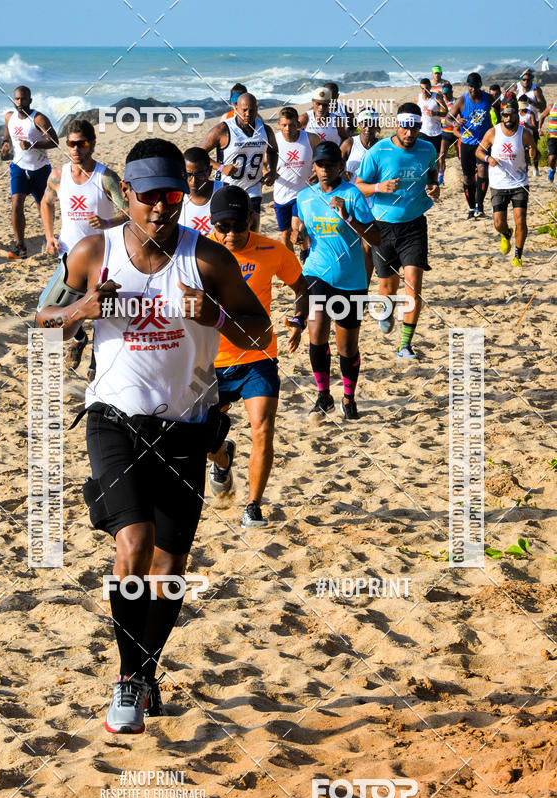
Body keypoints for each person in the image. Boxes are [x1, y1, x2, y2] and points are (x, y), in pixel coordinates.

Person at [36, 139, 270, 735]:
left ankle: (144, 670)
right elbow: (42, 316)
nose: (160, 208)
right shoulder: (94, 250)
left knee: (168, 567)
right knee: (133, 543)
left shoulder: (208, 260)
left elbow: (259, 326)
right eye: (148, 197)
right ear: (128, 197)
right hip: (113, 417)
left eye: (171, 196)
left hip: (186, 423)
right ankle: (129, 677)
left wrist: (213, 317)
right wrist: (82, 308)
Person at [207, 185, 309, 526]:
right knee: (205, 439)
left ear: (251, 219)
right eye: (224, 227)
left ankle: (253, 506)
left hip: (258, 356)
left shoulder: (272, 250)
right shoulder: (199, 251)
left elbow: (300, 286)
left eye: (239, 226)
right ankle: (221, 460)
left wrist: (298, 320)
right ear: (213, 223)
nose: (232, 234)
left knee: (263, 429)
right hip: (211, 362)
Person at [292, 141, 380, 419]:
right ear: (314, 167)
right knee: (316, 333)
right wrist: (300, 239)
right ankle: (323, 396)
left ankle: (348, 398)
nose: (325, 170)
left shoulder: (352, 195)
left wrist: (349, 218)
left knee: (346, 347)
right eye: (320, 165)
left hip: (351, 281)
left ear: (340, 167)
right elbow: (305, 233)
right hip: (317, 272)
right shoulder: (304, 197)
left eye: (330, 165)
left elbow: (375, 238)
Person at [40, 119, 128, 373]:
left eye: (81, 143)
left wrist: (107, 221)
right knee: (50, 311)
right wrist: (49, 236)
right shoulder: (58, 176)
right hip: (68, 255)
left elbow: (129, 212)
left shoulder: (106, 177)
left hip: (103, 255)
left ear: (92, 144)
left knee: (101, 311)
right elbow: (47, 203)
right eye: (71, 144)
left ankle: (96, 361)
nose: (76, 149)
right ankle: (78, 339)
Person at [355, 102, 440, 360]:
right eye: (405, 127)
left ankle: (405, 345)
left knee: (414, 286)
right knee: (387, 289)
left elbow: (432, 176)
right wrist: (380, 187)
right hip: (382, 228)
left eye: (414, 127)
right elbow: (358, 186)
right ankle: (386, 309)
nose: (410, 133)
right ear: (397, 125)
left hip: (414, 225)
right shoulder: (378, 152)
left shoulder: (428, 149)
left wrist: (434, 188)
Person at [201, 92, 277, 232]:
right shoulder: (223, 129)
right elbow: (198, 154)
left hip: (253, 188)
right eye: (244, 110)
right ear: (236, 108)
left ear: (257, 108)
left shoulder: (265, 130)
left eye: (252, 109)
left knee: (252, 232)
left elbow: (273, 151)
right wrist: (221, 167)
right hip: (227, 187)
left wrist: (272, 171)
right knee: (226, 231)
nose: (248, 113)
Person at [477, 97, 536, 267]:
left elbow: (533, 151)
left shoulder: (525, 134)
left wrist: (533, 154)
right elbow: (479, 151)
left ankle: (518, 255)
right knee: (498, 223)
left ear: (517, 114)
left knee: (520, 220)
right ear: (501, 115)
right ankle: (506, 234)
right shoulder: (493, 132)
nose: (508, 118)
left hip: (519, 183)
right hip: (498, 184)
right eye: (505, 115)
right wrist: (488, 158)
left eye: (511, 114)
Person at [1, 85, 58, 259]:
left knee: (45, 206)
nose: (20, 102)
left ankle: (50, 241)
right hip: (19, 167)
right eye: (17, 99)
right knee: (16, 204)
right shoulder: (9, 117)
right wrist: (5, 142)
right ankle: (20, 246)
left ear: (30, 100)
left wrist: (33, 144)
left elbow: (54, 141)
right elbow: (8, 131)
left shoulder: (38, 119)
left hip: (40, 170)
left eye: (23, 99)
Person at [340, 108, 381, 285]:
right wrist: (342, 173)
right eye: (364, 123)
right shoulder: (350, 143)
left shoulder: (383, 146)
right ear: (359, 125)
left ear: (377, 126)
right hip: (351, 200)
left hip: (373, 201)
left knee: (367, 244)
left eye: (371, 124)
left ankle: (364, 283)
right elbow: (336, 165)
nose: (367, 128)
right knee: (347, 244)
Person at [273, 106, 319, 252]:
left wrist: (317, 171)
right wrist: (268, 172)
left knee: (298, 229)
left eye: (292, 125)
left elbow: (322, 157)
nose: (287, 129)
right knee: (285, 235)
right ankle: (291, 265)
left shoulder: (311, 138)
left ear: (298, 125)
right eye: (284, 125)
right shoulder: (273, 140)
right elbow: (265, 163)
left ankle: (305, 260)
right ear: (279, 125)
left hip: (303, 193)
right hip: (281, 194)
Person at [446, 72, 492, 219]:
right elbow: (447, 118)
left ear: (480, 85)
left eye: (477, 86)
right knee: (468, 178)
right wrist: (455, 123)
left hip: (483, 143)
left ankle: (480, 205)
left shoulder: (488, 98)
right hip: (466, 144)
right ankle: (471, 208)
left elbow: (500, 111)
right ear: (468, 85)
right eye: (471, 86)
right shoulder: (462, 101)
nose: (474, 89)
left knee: (483, 172)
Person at [179, 146, 223, 235]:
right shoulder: (176, 195)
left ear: (209, 171)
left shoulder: (224, 192)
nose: (193, 181)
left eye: (199, 175)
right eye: (189, 174)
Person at [416, 78, 447, 161]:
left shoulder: (437, 97)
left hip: (436, 133)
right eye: (422, 88)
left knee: (437, 158)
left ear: (430, 87)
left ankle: (437, 173)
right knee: (423, 156)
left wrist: (435, 113)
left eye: (426, 88)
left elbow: (446, 112)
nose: (424, 91)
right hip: (423, 132)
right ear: (420, 88)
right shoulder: (418, 98)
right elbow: (415, 113)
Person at [438, 83, 457, 184]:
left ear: (451, 92)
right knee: (441, 154)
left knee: (461, 156)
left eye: (447, 93)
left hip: (456, 131)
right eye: (443, 93)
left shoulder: (456, 102)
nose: (445, 95)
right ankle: (441, 176)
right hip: (445, 132)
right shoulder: (441, 103)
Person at [518, 96, 540, 176]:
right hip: (521, 137)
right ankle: (525, 172)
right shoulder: (517, 114)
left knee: (533, 154)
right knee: (524, 155)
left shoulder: (530, 113)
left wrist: (527, 126)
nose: (521, 109)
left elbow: (535, 127)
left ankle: (536, 168)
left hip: (530, 136)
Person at [539, 97, 557, 182]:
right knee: (551, 159)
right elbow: (542, 116)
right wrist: (539, 129)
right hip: (552, 137)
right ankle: (552, 170)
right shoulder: (552, 107)